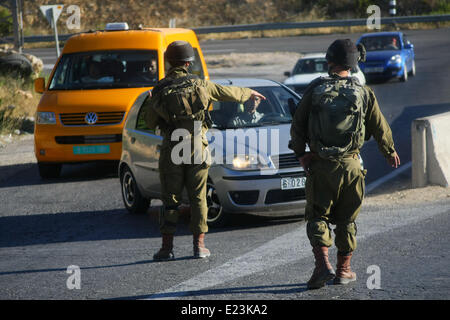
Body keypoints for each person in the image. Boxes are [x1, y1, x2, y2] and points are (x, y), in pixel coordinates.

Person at [289, 39, 400, 289]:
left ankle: (322, 265)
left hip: (321, 166)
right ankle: (343, 270)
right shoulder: (363, 91)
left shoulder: (315, 89)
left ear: (329, 61)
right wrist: (389, 151)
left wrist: (300, 153)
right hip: (351, 166)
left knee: (318, 216)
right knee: (346, 220)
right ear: (353, 63)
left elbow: (297, 124)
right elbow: (379, 125)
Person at [143, 40, 266, 261]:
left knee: (170, 199)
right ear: (189, 63)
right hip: (197, 147)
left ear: (169, 61)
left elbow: (150, 122)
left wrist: (151, 103)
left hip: (172, 148)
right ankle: (199, 247)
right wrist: (249, 93)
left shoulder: (160, 88)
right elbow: (227, 92)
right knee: (198, 197)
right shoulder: (201, 84)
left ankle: (166, 248)